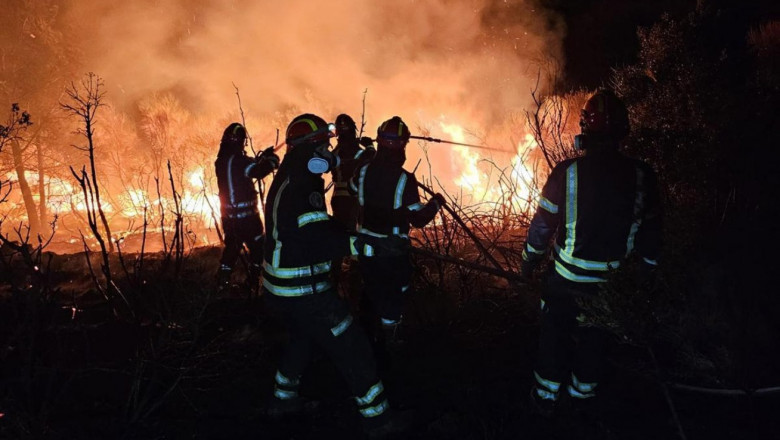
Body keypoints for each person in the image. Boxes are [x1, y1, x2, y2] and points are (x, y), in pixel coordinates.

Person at [262, 113, 410, 437]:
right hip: (303, 290)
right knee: (353, 346)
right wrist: (373, 248)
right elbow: (320, 239)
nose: (328, 153)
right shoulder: (303, 186)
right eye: (323, 146)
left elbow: (315, 228)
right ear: (311, 150)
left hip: (279, 289)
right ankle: (379, 421)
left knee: (302, 339)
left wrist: (359, 237)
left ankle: (283, 400)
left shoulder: (291, 176)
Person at [520, 89, 662, 416]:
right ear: (624, 130)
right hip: (610, 285)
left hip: (564, 280)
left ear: (585, 127)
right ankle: (582, 402)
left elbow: (542, 227)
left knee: (553, 339)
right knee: (595, 341)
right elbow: (651, 236)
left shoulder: (566, 172)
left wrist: (529, 262)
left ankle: (544, 402)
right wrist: (645, 275)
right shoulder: (644, 176)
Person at [349, 116, 445, 353]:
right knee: (394, 292)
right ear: (403, 145)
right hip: (391, 251)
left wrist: (368, 157)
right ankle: (390, 341)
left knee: (370, 289)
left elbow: (352, 188)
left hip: (365, 246)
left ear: (379, 141)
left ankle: (366, 337)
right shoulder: (405, 179)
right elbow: (419, 219)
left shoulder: (362, 172)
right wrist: (436, 202)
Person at [215, 122, 279, 290]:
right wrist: (271, 161)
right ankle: (253, 282)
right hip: (248, 218)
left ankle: (222, 283)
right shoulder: (239, 161)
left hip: (229, 218)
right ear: (241, 141)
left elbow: (246, 167)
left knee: (231, 250)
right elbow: (256, 171)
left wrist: (261, 158)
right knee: (258, 248)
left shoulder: (221, 161)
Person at [331, 113, 376, 232]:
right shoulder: (357, 152)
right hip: (352, 200)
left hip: (337, 199)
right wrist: (370, 147)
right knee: (352, 235)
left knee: (340, 233)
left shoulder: (335, 152)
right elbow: (373, 164)